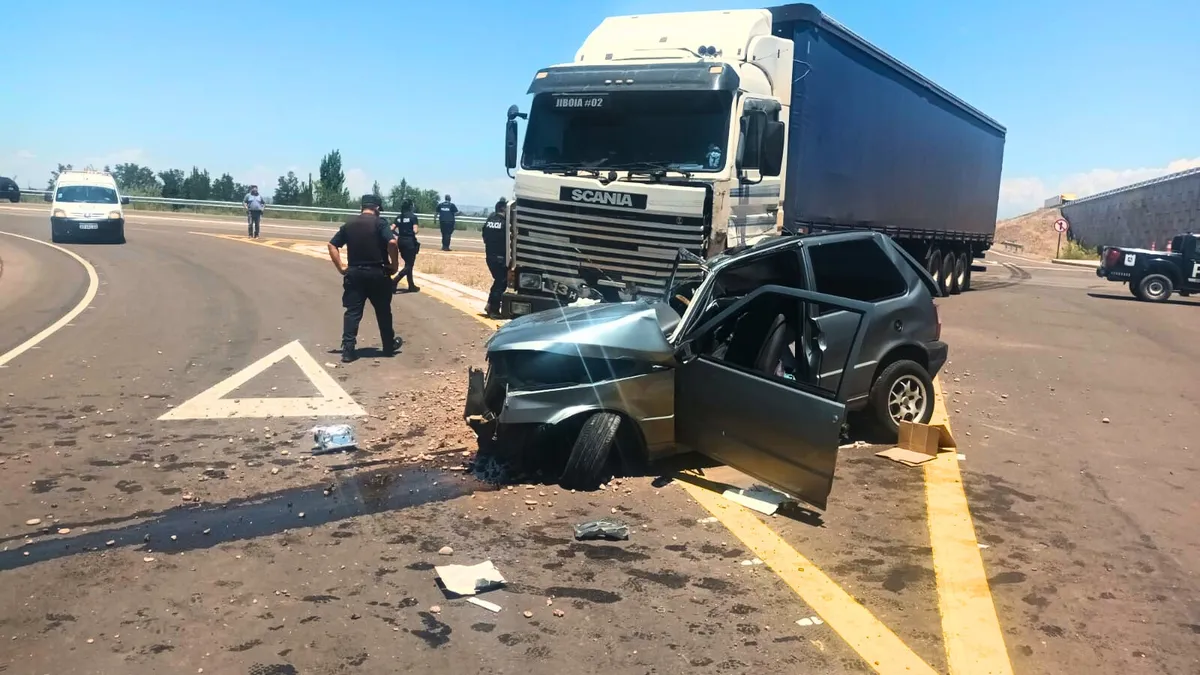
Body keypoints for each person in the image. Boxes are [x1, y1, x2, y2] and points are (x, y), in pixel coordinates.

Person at [327, 194, 401, 363]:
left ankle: (348, 350)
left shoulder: (349, 224)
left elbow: (332, 244)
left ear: (362, 207)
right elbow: (392, 243)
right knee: (383, 311)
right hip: (377, 273)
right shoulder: (380, 223)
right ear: (376, 208)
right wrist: (394, 265)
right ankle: (388, 347)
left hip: (355, 273)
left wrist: (341, 267)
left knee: (353, 312)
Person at [482, 198, 509, 319]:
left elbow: (484, 237)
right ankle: (494, 310)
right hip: (500, 257)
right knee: (501, 283)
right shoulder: (504, 223)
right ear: (503, 209)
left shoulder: (489, 220)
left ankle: (489, 305)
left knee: (498, 281)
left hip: (490, 256)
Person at [392, 198, 421, 293]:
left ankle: (411, 285)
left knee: (408, 264)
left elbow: (391, 228)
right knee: (409, 265)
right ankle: (395, 280)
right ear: (410, 206)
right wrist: (414, 230)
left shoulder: (399, 217)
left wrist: (398, 235)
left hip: (401, 241)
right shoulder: (413, 217)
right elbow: (415, 230)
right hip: (409, 242)